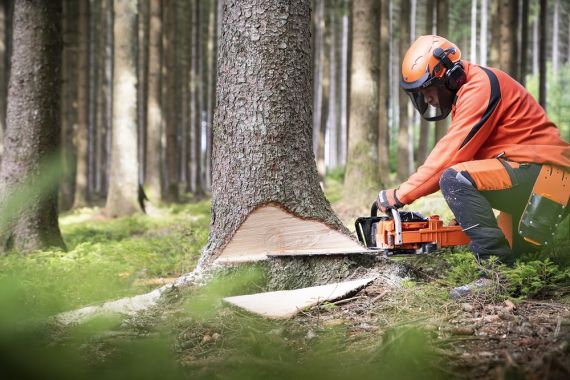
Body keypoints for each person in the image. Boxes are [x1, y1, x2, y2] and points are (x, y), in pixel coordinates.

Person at [376, 35, 570, 267]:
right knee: (518, 261)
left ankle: (492, 270)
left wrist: (400, 195)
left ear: (451, 77)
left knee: (454, 178)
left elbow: (450, 156)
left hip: (547, 178)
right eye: (419, 93)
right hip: (535, 176)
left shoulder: (480, 86)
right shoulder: (469, 93)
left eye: (428, 89)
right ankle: (503, 270)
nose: (427, 99)